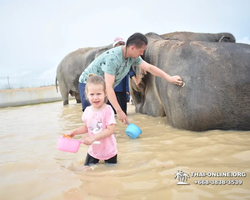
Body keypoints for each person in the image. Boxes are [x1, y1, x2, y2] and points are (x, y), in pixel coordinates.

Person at [78, 32, 183, 125]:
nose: (142, 54)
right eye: (140, 51)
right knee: (92, 118)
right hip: (89, 85)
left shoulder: (132, 58)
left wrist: (169, 78)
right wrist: (119, 111)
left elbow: (149, 67)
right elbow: (109, 87)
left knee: (102, 117)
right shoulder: (113, 58)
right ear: (132, 48)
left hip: (103, 88)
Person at [68, 74, 117, 166]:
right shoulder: (87, 111)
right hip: (93, 150)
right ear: (87, 94)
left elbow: (110, 130)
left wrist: (93, 138)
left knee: (111, 172)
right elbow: (87, 128)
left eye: (99, 94)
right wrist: (75, 132)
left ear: (105, 93)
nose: (95, 97)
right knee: (87, 171)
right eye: (92, 94)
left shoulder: (108, 110)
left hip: (109, 150)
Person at [108, 37, 141, 115]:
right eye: (119, 44)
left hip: (122, 88)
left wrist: (135, 81)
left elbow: (130, 70)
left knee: (123, 111)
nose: (120, 46)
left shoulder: (126, 58)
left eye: (122, 44)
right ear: (114, 46)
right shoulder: (110, 57)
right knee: (111, 112)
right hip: (111, 88)